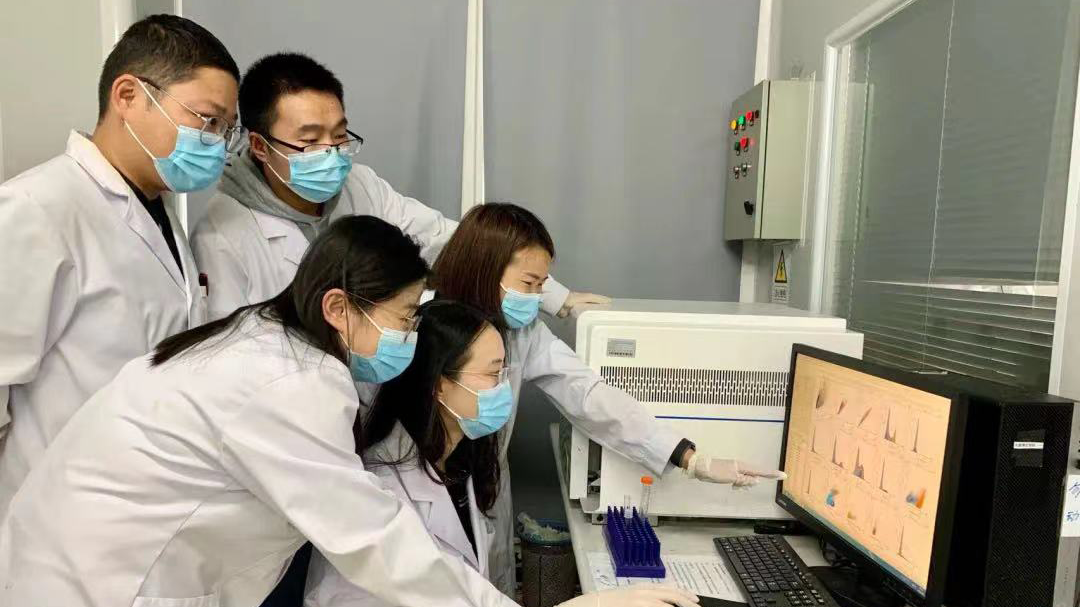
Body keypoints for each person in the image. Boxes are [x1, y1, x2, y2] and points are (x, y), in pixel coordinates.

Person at [0, 216, 522, 607]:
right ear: (338, 308)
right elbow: (370, 537)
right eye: (405, 319)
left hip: (86, 553)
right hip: (101, 578)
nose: (411, 336)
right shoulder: (290, 383)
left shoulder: (264, 338)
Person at [430, 203, 788, 595]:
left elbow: (587, 394)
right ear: (485, 270)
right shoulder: (428, 333)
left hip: (483, 489)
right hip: (430, 493)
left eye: (541, 287)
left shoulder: (521, 333)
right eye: (528, 284)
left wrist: (690, 457)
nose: (535, 298)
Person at [303, 300, 699, 607]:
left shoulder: (458, 465)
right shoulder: (382, 491)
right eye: (493, 375)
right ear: (439, 386)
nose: (504, 388)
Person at [0, 15, 241, 517]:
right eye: (207, 120)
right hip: (55, 517)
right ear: (128, 96)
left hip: (139, 507)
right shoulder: (37, 208)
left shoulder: (161, 213)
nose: (217, 143)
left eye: (226, 129)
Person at [191, 52, 606, 326]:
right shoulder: (223, 235)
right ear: (260, 146)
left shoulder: (360, 185)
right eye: (310, 140)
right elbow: (229, 353)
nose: (331, 154)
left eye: (339, 135)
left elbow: (451, 242)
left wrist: (553, 295)